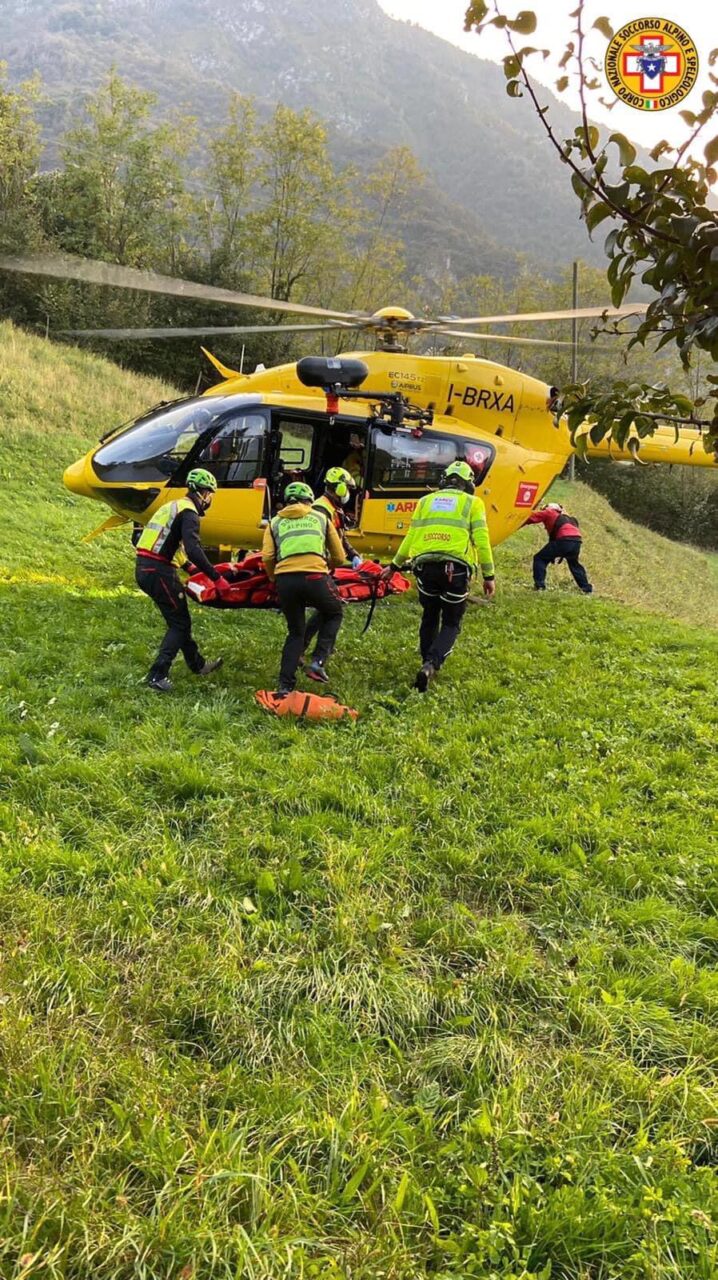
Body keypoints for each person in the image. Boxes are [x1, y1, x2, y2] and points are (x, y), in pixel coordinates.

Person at [381, 460, 496, 691]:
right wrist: (488, 574)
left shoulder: (425, 501)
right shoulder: (473, 503)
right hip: (455, 568)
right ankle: (431, 665)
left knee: (430, 615)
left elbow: (410, 537)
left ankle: (426, 660)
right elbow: (482, 540)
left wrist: (393, 567)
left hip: (425, 567)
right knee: (452, 621)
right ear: (468, 484)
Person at [135, 468, 228, 693]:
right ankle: (157, 675)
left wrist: (188, 567)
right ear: (203, 493)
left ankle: (197, 664)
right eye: (210, 494)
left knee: (179, 618)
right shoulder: (189, 513)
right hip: (159, 572)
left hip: (145, 567)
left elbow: (168, 541)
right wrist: (215, 577)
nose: (210, 499)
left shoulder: (173, 506)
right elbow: (194, 548)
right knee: (180, 624)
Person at [262, 480, 346, 696]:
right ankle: (318, 661)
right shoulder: (321, 518)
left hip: (285, 581)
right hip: (315, 576)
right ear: (309, 500)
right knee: (334, 611)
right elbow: (339, 556)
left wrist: (274, 578)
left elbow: (268, 557)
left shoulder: (274, 523)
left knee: (295, 632)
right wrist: (324, 566)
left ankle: (284, 686)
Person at [301, 467, 363, 665]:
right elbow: (321, 539)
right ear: (341, 487)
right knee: (332, 610)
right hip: (319, 568)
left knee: (325, 609)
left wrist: (353, 554)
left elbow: (340, 536)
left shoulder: (332, 507)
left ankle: (304, 648)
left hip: (325, 567)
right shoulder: (321, 508)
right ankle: (317, 656)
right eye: (349, 489)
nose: (350, 494)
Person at [525, 502, 593, 594]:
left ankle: (540, 586)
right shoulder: (571, 519)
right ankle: (586, 588)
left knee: (539, 558)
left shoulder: (549, 512)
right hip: (577, 541)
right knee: (574, 564)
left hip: (564, 540)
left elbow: (529, 518)